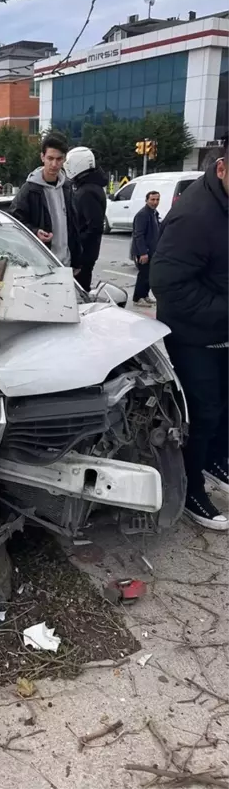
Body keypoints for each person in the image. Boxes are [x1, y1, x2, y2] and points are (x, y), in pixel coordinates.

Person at [150, 138, 229, 531]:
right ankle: (191, 488)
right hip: (194, 335)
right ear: (221, 168)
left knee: (225, 408)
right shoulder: (195, 217)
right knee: (203, 412)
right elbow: (167, 285)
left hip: (223, 330)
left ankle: (216, 459)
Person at [10, 132, 82, 272]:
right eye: (50, 158)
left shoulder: (67, 187)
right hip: (41, 264)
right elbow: (15, 221)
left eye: (59, 159)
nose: (54, 164)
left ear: (64, 159)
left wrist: (77, 261)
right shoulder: (30, 189)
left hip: (66, 264)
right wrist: (35, 232)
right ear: (42, 157)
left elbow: (73, 226)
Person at [64, 146, 108, 292]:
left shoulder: (88, 191)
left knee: (79, 292)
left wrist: (77, 244)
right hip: (84, 253)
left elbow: (94, 226)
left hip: (83, 255)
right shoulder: (88, 187)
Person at [130, 190, 161, 307]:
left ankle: (145, 295)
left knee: (149, 275)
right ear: (146, 200)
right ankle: (138, 298)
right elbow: (139, 235)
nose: (155, 202)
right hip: (143, 251)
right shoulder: (143, 214)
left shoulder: (154, 213)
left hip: (152, 250)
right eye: (152, 199)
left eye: (157, 199)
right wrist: (143, 252)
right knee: (143, 275)